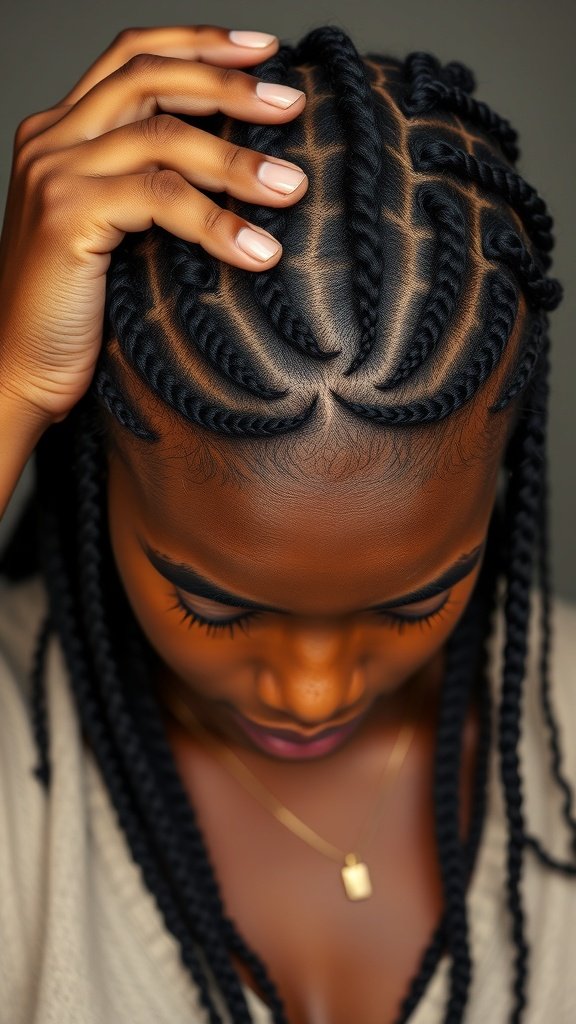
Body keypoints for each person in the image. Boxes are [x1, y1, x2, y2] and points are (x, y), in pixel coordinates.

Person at [0, 20, 574, 1024]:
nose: (312, 692)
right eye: (216, 604)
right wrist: (14, 382)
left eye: (414, 601)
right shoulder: (23, 745)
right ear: (97, 457)